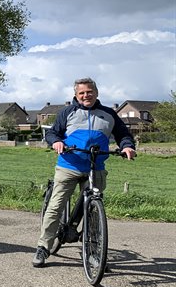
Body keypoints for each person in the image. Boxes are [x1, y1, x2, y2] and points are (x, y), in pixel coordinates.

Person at [33, 77, 136, 267]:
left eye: (89, 92)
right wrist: (56, 142)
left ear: (96, 93)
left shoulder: (108, 114)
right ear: (76, 95)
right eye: (81, 93)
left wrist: (127, 146)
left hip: (95, 166)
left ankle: (92, 250)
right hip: (69, 165)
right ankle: (43, 247)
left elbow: (123, 135)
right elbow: (52, 133)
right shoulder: (67, 112)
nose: (85, 95)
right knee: (55, 206)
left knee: (93, 209)